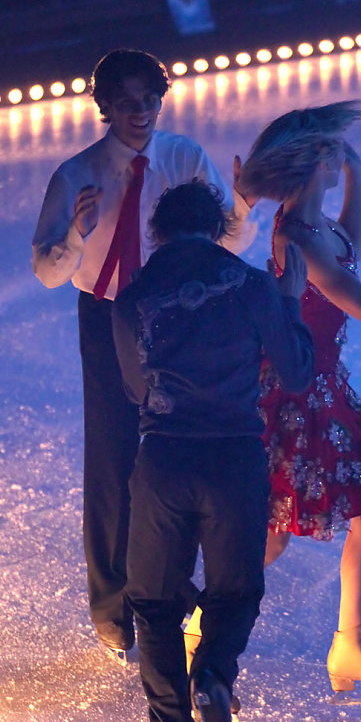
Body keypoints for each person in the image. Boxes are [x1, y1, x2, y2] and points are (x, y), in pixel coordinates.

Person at [185, 100, 361, 694]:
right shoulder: (299, 236)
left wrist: (359, 177)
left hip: (320, 391)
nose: (338, 154)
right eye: (332, 150)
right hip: (295, 397)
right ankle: (201, 626)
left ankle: (351, 645)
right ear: (316, 161)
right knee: (268, 534)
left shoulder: (314, 224)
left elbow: (349, 245)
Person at [32, 48, 256, 659]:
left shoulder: (183, 158)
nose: (141, 112)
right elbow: (48, 271)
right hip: (106, 316)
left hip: (176, 316)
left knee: (168, 453)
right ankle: (111, 605)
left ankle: (165, 593)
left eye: (150, 100)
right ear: (106, 107)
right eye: (128, 102)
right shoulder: (77, 173)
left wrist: (240, 205)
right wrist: (78, 232)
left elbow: (228, 240)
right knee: (111, 457)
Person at [111, 180, 313, 722]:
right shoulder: (251, 285)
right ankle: (215, 675)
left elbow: (135, 390)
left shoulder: (134, 296)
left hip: (166, 459)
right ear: (218, 229)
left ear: (160, 234)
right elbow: (298, 370)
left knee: (153, 604)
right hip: (234, 461)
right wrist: (291, 300)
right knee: (236, 589)